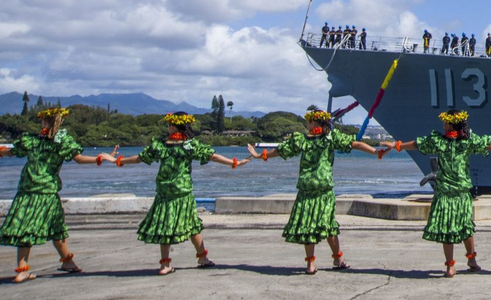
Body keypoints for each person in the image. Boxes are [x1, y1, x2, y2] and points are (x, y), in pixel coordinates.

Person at [246, 107, 382, 274]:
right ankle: (337, 259)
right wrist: (377, 152)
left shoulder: (302, 140)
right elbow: (357, 144)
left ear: (314, 122)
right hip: (323, 189)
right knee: (329, 225)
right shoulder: (330, 138)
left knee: (308, 226)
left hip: (306, 189)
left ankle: (311, 264)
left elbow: (280, 151)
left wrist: (261, 156)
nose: (306, 124)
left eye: (308, 121)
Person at [383, 110, 491, 277]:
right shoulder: (444, 141)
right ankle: (456, 264)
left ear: (452, 123)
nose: (443, 125)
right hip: (449, 192)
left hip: (456, 192)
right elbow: (417, 144)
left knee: (462, 228)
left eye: (445, 122)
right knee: (459, 228)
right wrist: (397, 145)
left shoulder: (465, 141)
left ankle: (464, 262)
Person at [113, 112, 249, 274]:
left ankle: (166, 264)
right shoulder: (189, 145)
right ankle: (201, 257)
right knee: (191, 225)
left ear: (172, 126)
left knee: (166, 226)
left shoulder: (161, 145)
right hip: (182, 191)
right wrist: (234, 162)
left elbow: (139, 158)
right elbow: (213, 156)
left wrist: (119, 161)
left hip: (165, 192)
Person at [0, 107, 110, 282]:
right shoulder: (58, 142)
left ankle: (50, 264)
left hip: (29, 191)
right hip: (46, 192)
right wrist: (100, 158)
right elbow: (79, 159)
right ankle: (38, 267)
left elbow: (9, 152)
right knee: (55, 228)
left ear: (45, 122)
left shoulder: (34, 141)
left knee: (28, 229)